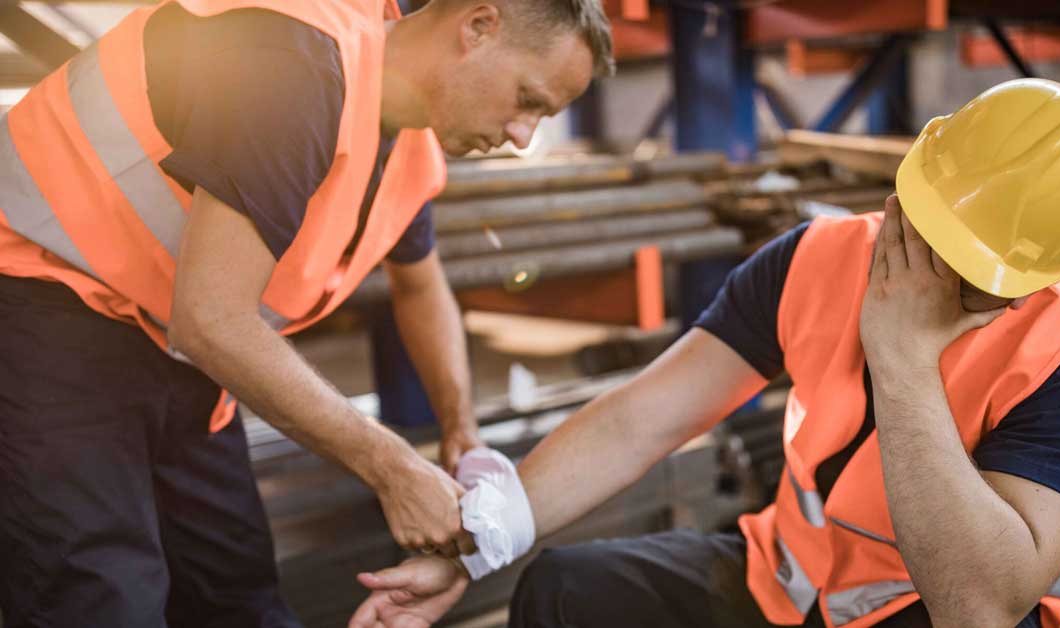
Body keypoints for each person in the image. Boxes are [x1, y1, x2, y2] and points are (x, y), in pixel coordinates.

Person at [350, 79, 1060, 628]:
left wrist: (903, 362)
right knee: (566, 593)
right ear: (906, 192)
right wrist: (477, 547)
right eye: (930, 236)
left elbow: (980, 607)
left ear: (1035, 278)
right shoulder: (814, 259)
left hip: (921, 614)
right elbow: (640, 421)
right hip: (783, 584)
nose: (939, 275)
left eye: (979, 273)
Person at [0, 1, 613, 626]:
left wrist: (461, 431)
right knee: (99, 599)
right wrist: (393, 466)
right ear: (478, 27)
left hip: (173, 351)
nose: (523, 136)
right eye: (528, 100)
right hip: (41, 303)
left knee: (239, 598)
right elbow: (211, 320)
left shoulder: (407, 150)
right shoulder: (296, 61)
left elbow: (421, 289)